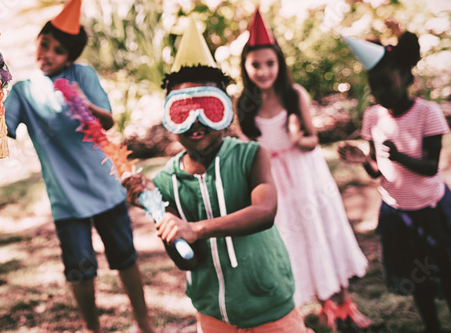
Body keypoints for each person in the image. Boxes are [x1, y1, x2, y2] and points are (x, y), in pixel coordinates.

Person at [122, 20, 310, 332]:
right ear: (169, 118)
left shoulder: (251, 156)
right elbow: (186, 260)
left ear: (226, 111)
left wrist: (196, 229)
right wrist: (157, 210)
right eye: (183, 111)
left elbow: (264, 213)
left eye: (208, 107)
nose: (196, 121)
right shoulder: (167, 181)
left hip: (271, 309)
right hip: (212, 314)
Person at [3, 0, 154, 333]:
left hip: (105, 188)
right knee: (79, 269)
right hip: (66, 199)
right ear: (37, 41)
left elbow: (108, 121)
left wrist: (83, 103)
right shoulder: (23, 91)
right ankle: (92, 329)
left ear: (70, 56)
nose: (49, 54)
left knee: (125, 258)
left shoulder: (82, 76)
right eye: (45, 44)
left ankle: (145, 325)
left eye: (59, 50)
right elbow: (3, 129)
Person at [236, 10, 370, 330]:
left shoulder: (294, 96)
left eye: (270, 63)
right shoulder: (243, 105)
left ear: (279, 63)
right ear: (245, 67)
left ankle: (343, 302)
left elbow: (311, 140)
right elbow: (247, 151)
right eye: (256, 64)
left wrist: (299, 137)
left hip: (306, 177)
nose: (264, 70)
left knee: (321, 231)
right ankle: (315, 303)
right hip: (273, 183)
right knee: (291, 238)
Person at [336, 31, 451, 333]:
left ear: (407, 78)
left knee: (449, 276)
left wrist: (399, 156)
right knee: (416, 278)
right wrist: (362, 161)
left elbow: (431, 167)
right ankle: (432, 327)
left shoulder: (428, 113)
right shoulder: (372, 117)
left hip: (432, 211)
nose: (380, 92)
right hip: (397, 214)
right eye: (374, 87)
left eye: (387, 83)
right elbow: (377, 171)